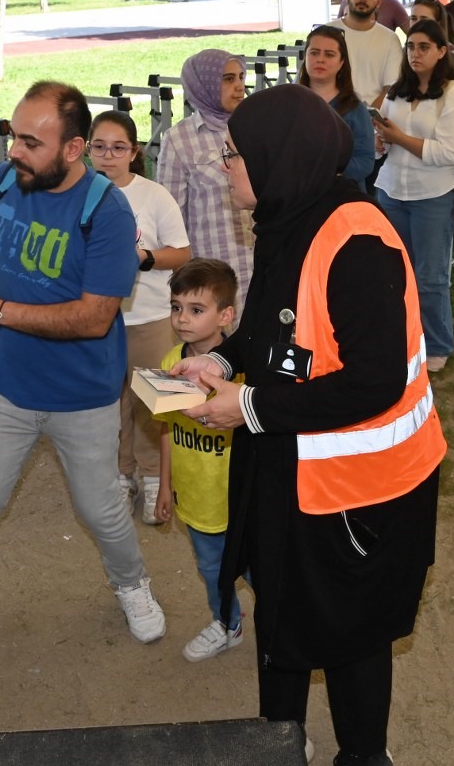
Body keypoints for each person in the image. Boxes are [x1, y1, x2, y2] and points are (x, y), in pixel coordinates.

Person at [170, 83, 446, 766]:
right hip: (296, 474)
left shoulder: (357, 239)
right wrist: (220, 359)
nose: (225, 166)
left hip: (362, 491)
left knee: (353, 635)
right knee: (282, 615)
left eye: (233, 154)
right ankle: (277, 743)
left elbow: (374, 380)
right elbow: (270, 324)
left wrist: (250, 406)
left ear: (275, 155)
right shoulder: (288, 215)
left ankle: (362, 754)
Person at [0, 81, 166, 658]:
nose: (13, 151)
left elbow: (96, 319)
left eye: (29, 141)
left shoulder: (108, 211)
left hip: (85, 395)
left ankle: (132, 584)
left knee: (101, 508)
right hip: (7, 389)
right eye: (14, 135)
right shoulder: (4, 181)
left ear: (73, 149)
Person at [88, 109, 191, 525]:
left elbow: (182, 253)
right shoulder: (79, 193)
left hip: (149, 317)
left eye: (118, 148)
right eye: (99, 147)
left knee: (155, 404)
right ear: (86, 150)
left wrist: (144, 258)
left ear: (134, 152)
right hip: (99, 319)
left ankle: (155, 478)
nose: (108, 156)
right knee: (110, 405)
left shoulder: (154, 195)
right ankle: (120, 473)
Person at [153, 258, 246, 662]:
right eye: (176, 308)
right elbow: (167, 428)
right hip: (196, 498)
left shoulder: (242, 370)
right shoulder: (171, 363)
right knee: (212, 570)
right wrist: (164, 483)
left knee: (261, 569)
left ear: (226, 315)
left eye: (196, 309)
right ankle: (228, 623)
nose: (182, 319)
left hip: (241, 498)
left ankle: (287, 624)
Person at [373, 19, 454, 371]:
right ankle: (401, 338)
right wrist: (381, 140)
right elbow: (381, 142)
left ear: (442, 51)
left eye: (424, 47)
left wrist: (398, 138)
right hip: (391, 191)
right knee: (394, 273)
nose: (415, 53)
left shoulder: (453, 95)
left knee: (430, 276)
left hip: (432, 194)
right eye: (411, 46)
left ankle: (438, 344)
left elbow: (446, 153)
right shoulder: (395, 92)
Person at [157, 50, 254, 305]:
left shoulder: (254, 126)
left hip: (259, 266)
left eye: (242, 77)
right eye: (228, 79)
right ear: (204, 85)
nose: (239, 86)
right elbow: (170, 219)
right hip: (213, 276)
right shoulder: (179, 139)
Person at [297, 25, 376, 184]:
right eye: (314, 53)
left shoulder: (355, 109)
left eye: (329, 54)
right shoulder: (290, 103)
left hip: (341, 198)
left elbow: (365, 162)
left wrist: (326, 170)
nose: (320, 59)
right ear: (305, 57)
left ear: (341, 62)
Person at [336, 0, 405, 105]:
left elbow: (390, 89)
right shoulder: (326, 33)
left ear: (379, 2)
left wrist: (364, 118)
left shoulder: (390, 39)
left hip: (373, 121)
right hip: (331, 117)